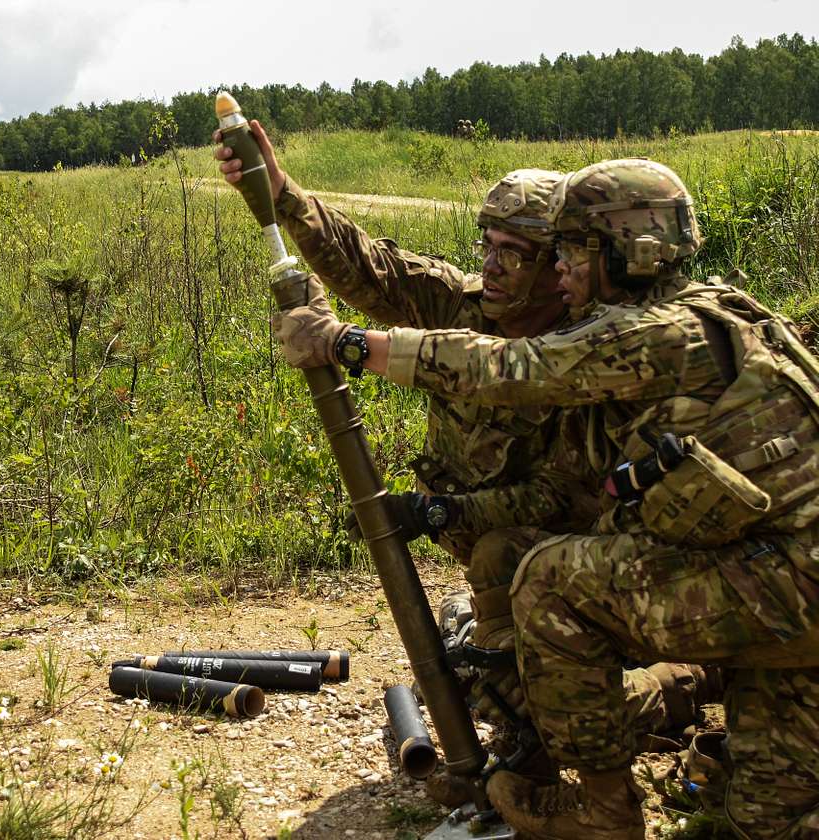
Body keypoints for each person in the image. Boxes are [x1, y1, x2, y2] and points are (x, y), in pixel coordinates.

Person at [266, 155, 819, 838]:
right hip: (779, 588)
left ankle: (604, 812)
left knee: (551, 584)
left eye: (572, 252)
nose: (562, 268)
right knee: (765, 821)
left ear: (625, 252)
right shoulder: (719, 314)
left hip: (785, 588)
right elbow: (382, 274)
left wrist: (347, 344)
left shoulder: (658, 334)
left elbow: (511, 369)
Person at [216, 128, 720, 780]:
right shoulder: (464, 307)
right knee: (479, 676)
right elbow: (371, 267)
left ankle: (690, 683)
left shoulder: (596, 358)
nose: (493, 264)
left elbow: (565, 498)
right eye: (488, 244)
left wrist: (438, 512)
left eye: (518, 252)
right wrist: (283, 195)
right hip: (503, 575)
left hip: (578, 578)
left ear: (562, 263)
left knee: (544, 712)